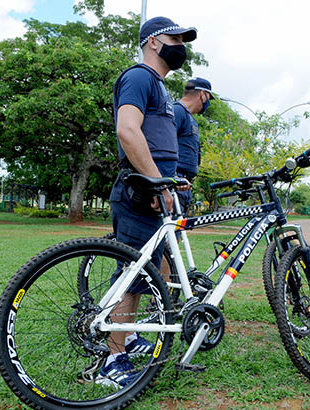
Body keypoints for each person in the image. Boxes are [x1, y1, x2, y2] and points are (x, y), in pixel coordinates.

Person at [100, 16, 197, 388]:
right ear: (154, 42)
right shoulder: (139, 77)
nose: (181, 45)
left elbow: (158, 141)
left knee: (144, 274)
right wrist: (157, 183)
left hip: (156, 191)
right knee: (130, 275)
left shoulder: (161, 89)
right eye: (175, 37)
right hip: (139, 194)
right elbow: (127, 129)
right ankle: (113, 359)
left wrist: (171, 180)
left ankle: (129, 336)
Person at [173, 77, 214, 215]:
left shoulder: (189, 118)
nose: (208, 102)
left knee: (177, 233)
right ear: (202, 94)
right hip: (175, 184)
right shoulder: (176, 112)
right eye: (208, 97)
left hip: (184, 186)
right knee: (168, 234)